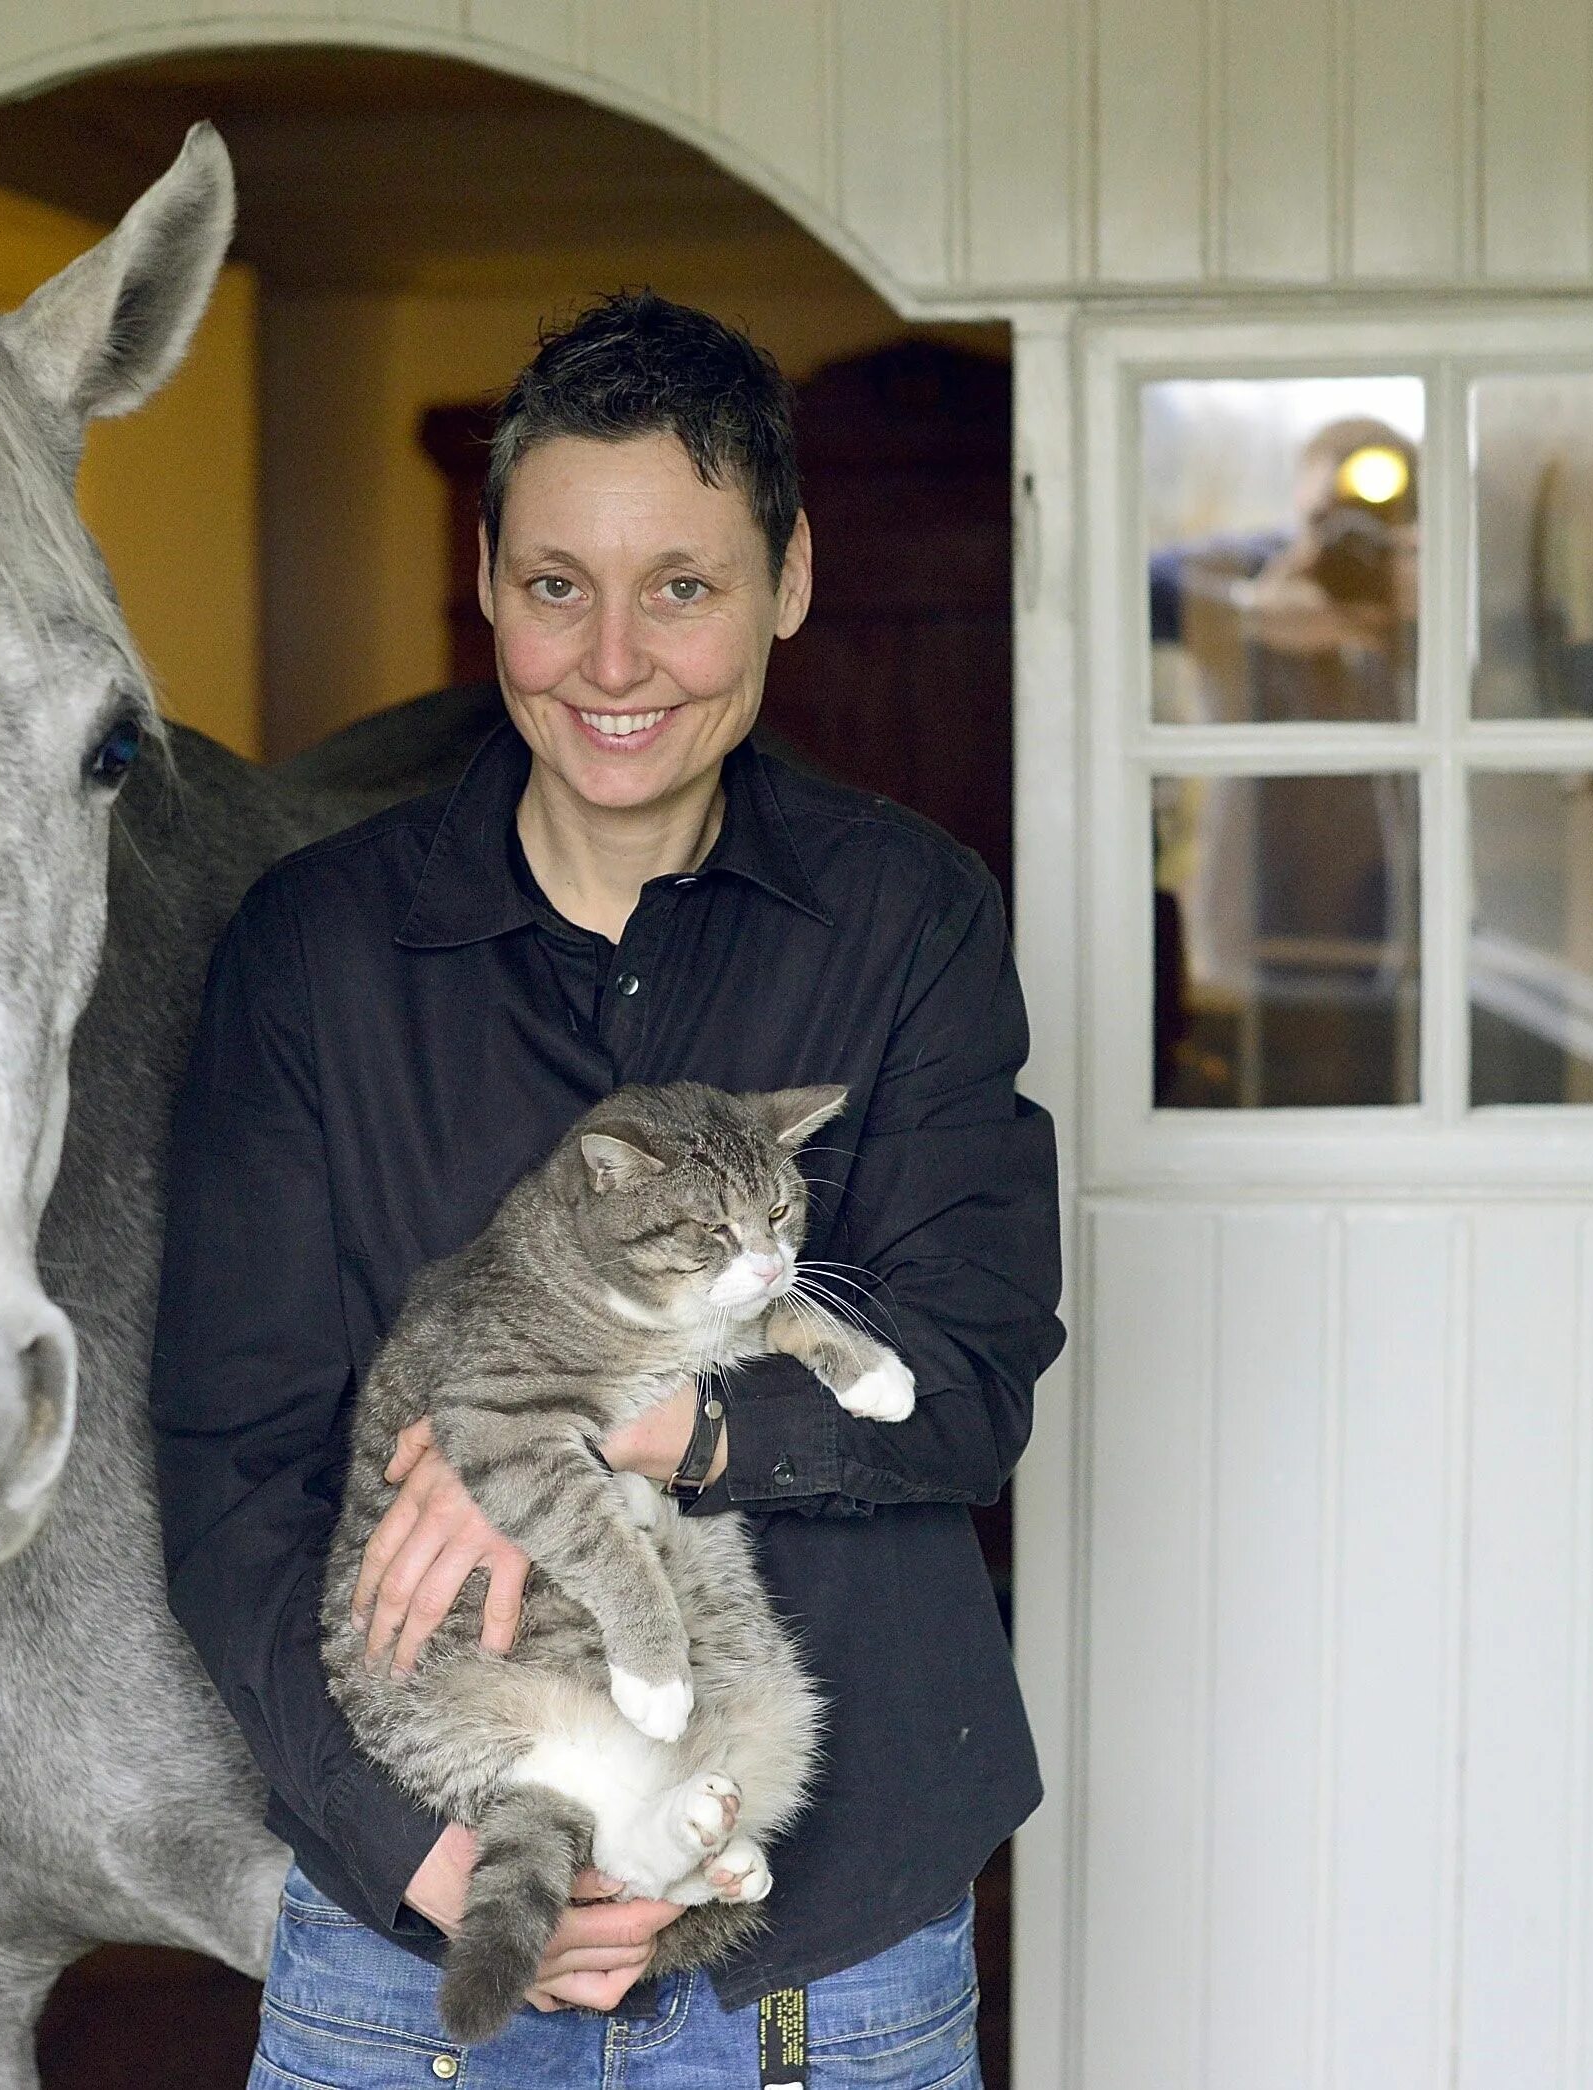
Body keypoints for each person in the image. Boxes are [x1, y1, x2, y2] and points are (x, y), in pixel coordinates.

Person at [150, 292, 1065, 2086]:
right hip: (410, 1931)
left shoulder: (913, 919)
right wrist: (424, 1857)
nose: (615, 660)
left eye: (686, 586)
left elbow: (968, 1380)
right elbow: (223, 1469)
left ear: (791, 581)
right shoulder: (311, 954)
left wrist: (637, 1430)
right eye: (558, 583)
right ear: (487, 580)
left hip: (829, 1950)